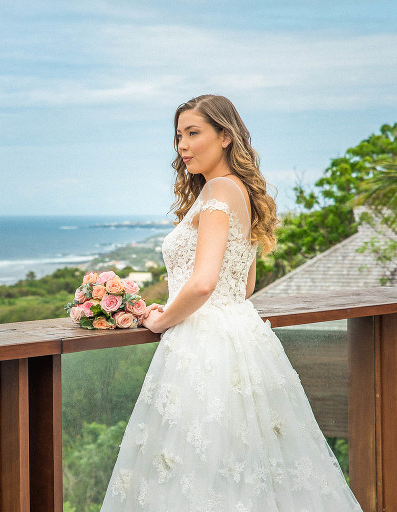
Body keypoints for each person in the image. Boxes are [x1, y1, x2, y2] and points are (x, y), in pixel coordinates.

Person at [99, 95, 363, 511]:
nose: (182, 145)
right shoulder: (240, 191)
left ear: (225, 137)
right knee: (245, 464)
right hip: (242, 335)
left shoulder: (219, 190)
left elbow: (203, 284)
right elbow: (243, 286)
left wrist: (161, 318)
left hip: (204, 343)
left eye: (193, 133)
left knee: (197, 468)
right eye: (179, 135)